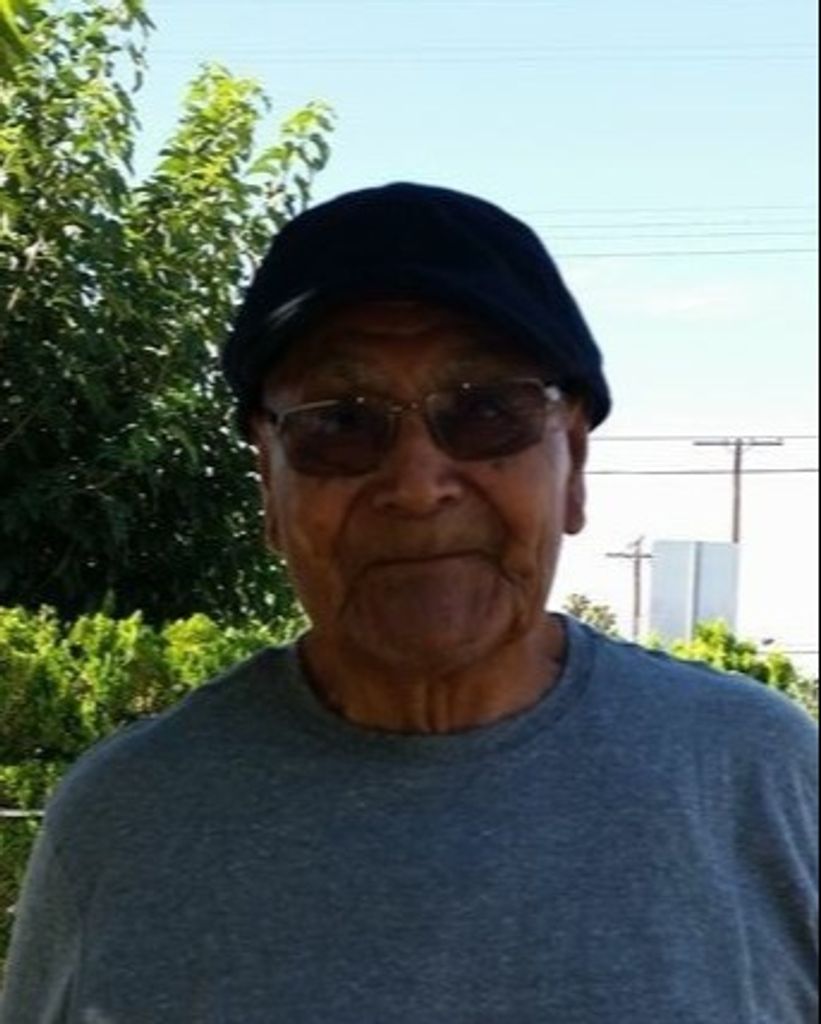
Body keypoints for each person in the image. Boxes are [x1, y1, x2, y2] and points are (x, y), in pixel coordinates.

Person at [1, 182, 817, 1023]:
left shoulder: (760, 779)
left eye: (486, 411)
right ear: (268, 486)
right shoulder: (126, 819)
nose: (418, 486)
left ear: (572, 463)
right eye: (340, 424)